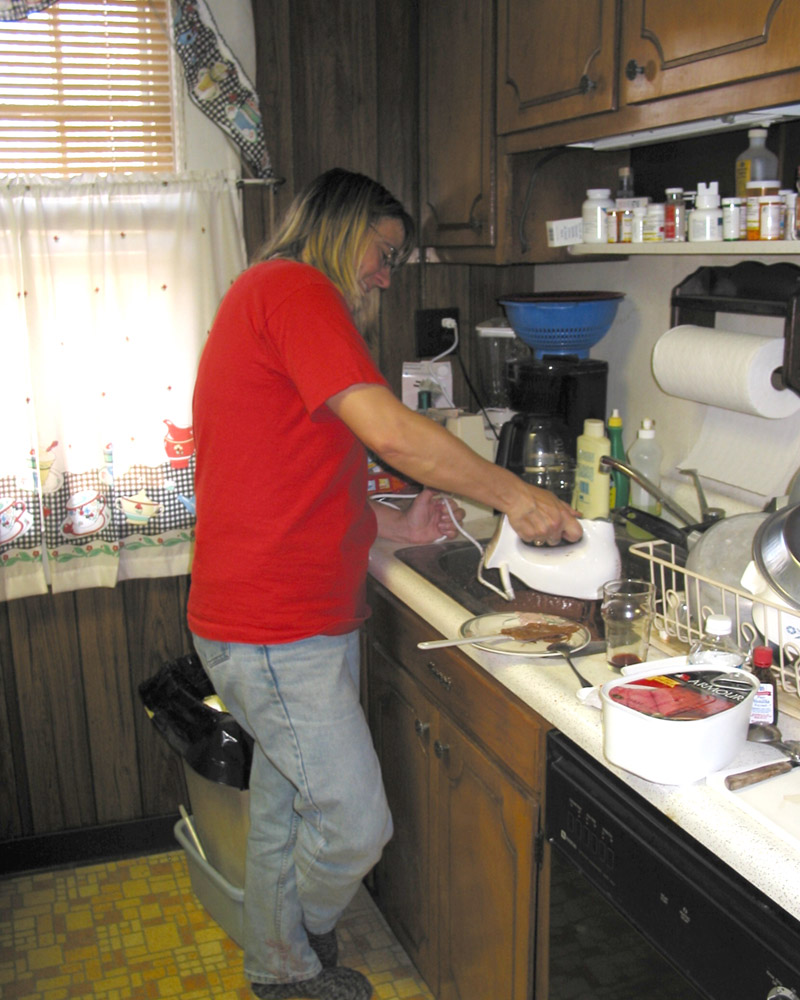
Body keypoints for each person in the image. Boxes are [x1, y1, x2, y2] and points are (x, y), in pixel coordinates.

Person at [188, 167, 581, 1000]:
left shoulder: (272, 296)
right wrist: (515, 493)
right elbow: (389, 432)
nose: (384, 273)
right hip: (274, 624)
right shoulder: (295, 290)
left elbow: (298, 468)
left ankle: (280, 966)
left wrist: (388, 528)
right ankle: (299, 947)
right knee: (355, 823)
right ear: (340, 225)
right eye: (383, 250)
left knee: (287, 808)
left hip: (280, 614)